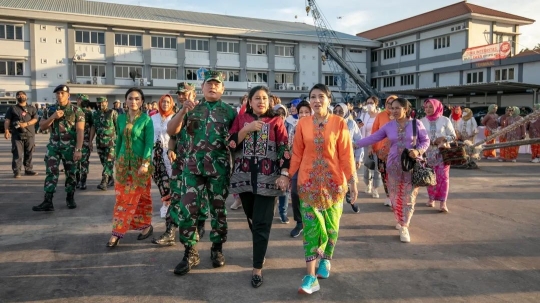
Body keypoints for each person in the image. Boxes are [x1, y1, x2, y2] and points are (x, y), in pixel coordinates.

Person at [289, 84, 358, 295]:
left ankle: (326, 260)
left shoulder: (339, 123)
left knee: (331, 228)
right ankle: (310, 277)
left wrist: (353, 181)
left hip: (334, 186)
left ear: (329, 100)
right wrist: (287, 175)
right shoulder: (303, 124)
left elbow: (346, 154)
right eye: (313, 97)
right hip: (308, 185)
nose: (316, 101)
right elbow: (297, 153)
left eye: (321, 97)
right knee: (311, 230)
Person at [167, 71, 237, 276]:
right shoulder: (192, 108)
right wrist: (182, 111)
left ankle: (217, 248)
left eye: (217, 84)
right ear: (202, 88)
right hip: (192, 168)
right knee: (188, 208)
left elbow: (236, 141)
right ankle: (190, 252)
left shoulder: (230, 112)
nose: (213, 87)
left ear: (223, 89)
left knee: (218, 210)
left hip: (219, 169)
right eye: (209, 84)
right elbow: (172, 131)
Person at [227, 86, 290, 288]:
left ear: (270, 101)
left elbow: (284, 150)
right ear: (250, 101)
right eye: (257, 98)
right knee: (253, 218)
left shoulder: (276, 121)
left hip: (267, 179)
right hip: (244, 178)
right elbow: (230, 144)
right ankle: (260, 249)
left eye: (265, 98)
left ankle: (256, 269)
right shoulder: (241, 119)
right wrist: (246, 129)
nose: (261, 101)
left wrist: (284, 174)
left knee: (262, 222)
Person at [356, 98, 430, 243]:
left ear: (405, 109)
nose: (394, 111)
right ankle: (400, 218)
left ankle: (404, 226)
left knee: (409, 197)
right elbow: (372, 138)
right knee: (395, 196)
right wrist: (354, 144)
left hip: (411, 166)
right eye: (392, 108)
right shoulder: (389, 126)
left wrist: (418, 150)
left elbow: (425, 141)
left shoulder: (416, 124)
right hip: (393, 166)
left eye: (397, 108)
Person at [153, 82, 209, 246]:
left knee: (199, 197)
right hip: (180, 163)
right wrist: (171, 149)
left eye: (185, 93)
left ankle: (199, 224)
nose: (182, 96)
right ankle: (170, 231)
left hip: (199, 163)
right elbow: (173, 136)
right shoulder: (179, 113)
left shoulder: (204, 111)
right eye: (180, 94)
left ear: (194, 94)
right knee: (175, 196)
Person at [106, 87, 154, 247]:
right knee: (123, 199)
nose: (133, 101)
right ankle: (116, 232)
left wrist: (146, 163)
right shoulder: (120, 119)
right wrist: (114, 159)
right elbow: (119, 140)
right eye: (130, 98)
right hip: (122, 165)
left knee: (142, 198)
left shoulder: (146, 120)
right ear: (125, 101)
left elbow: (148, 144)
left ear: (142, 102)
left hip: (140, 165)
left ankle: (145, 226)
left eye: (137, 99)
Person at [32, 85, 85, 211]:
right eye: (57, 93)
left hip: (70, 148)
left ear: (68, 95)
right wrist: (52, 117)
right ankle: (48, 201)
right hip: (54, 147)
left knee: (71, 173)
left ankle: (70, 197)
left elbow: (80, 131)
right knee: (51, 172)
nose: (59, 95)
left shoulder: (77, 110)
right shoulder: (50, 109)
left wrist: (78, 149)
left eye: (62, 93)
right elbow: (42, 127)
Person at [420, 99, 457, 213]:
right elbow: (418, 137)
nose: (428, 109)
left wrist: (444, 138)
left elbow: (453, 136)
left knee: (443, 178)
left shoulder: (445, 120)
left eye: (431, 107)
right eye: (426, 107)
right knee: (429, 176)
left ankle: (443, 202)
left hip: (442, 153)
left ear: (437, 107)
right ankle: (431, 199)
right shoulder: (421, 121)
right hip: (427, 154)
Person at [333, 103, 363, 213]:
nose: (337, 114)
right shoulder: (329, 123)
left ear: (346, 112)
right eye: (335, 111)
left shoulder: (351, 124)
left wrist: (359, 158)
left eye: (340, 111)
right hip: (333, 160)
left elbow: (359, 141)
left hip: (348, 159)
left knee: (350, 182)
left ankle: (352, 200)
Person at [150, 94, 174, 232]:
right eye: (163, 102)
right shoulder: (153, 118)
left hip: (169, 154)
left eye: (168, 102)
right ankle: (165, 202)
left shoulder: (174, 117)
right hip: (156, 155)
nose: (165, 104)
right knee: (159, 180)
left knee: (169, 181)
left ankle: (167, 204)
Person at [288, 100, 312, 238]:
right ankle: (299, 222)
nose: (303, 114)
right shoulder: (293, 126)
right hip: (297, 164)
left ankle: (313, 221)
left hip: (313, 166)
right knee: (296, 193)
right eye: (301, 112)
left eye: (306, 112)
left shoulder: (318, 126)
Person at [4, 91, 39, 178]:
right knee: (17, 153)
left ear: (26, 97)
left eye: (23, 95)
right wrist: (6, 130)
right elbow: (7, 120)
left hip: (30, 134)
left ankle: (28, 170)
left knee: (29, 153)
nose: (21, 96)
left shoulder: (31, 108)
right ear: (16, 97)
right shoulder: (12, 108)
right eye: (18, 95)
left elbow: (35, 119)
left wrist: (26, 124)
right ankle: (17, 171)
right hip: (17, 135)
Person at [372, 95, 398, 207]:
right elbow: (374, 131)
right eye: (389, 103)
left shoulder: (401, 115)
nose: (391, 106)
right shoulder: (380, 115)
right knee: (384, 174)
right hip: (381, 151)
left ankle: (396, 196)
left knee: (395, 175)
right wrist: (373, 147)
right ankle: (389, 196)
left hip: (397, 151)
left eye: (394, 104)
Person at [90, 97, 118, 191]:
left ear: (107, 102)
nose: (101, 105)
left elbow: (118, 127)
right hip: (100, 142)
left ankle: (104, 182)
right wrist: (90, 141)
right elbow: (93, 127)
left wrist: (120, 141)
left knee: (109, 162)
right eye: (99, 103)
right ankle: (111, 179)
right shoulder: (95, 114)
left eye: (103, 103)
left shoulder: (112, 113)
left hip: (111, 142)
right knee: (104, 162)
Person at [359, 96, 383, 198]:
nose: (369, 104)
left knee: (377, 167)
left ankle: (375, 188)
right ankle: (367, 185)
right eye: (368, 102)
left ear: (376, 104)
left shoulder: (380, 115)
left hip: (377, 144)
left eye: (371, 102)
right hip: (366, 143)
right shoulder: (364, 115)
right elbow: (360, 130)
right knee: (367, 165)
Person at [273, 103, 291, 223]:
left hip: (286, 162)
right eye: (277, 114)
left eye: (283, 114)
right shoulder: (269, 125)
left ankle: (283, 213)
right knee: (272, 188)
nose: (280, 116)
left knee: (284, 189)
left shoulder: (291, 127)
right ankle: (270, 211)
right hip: (271, 162)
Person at [75, 95, 93, 190]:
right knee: (75, 162)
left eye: (85, 100)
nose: (82, 102)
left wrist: (90, 141)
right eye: (81, 99)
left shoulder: (88, 113)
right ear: (77, 100)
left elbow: (92, 127)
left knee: (84, 162)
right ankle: (76, 180)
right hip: (74, 141)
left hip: (85, 141)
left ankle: (83, 181)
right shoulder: (73, 111)